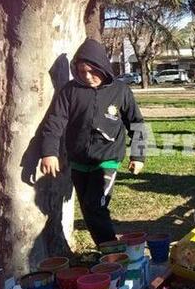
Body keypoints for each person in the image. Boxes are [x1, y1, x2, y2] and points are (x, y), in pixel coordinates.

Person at [40, 38, 145, 245]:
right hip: (78, 161)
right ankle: (107, 250)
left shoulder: (120, 91)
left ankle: (113, 252)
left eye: (92, 71)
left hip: (107, 159)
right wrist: (49, 152)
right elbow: (55, 121)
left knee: (95, 204)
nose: (87, 77)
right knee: (88, 209)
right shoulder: (70, 91)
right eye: (81, 72)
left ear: (103, 67)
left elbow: (137, 123)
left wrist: (138, 155)